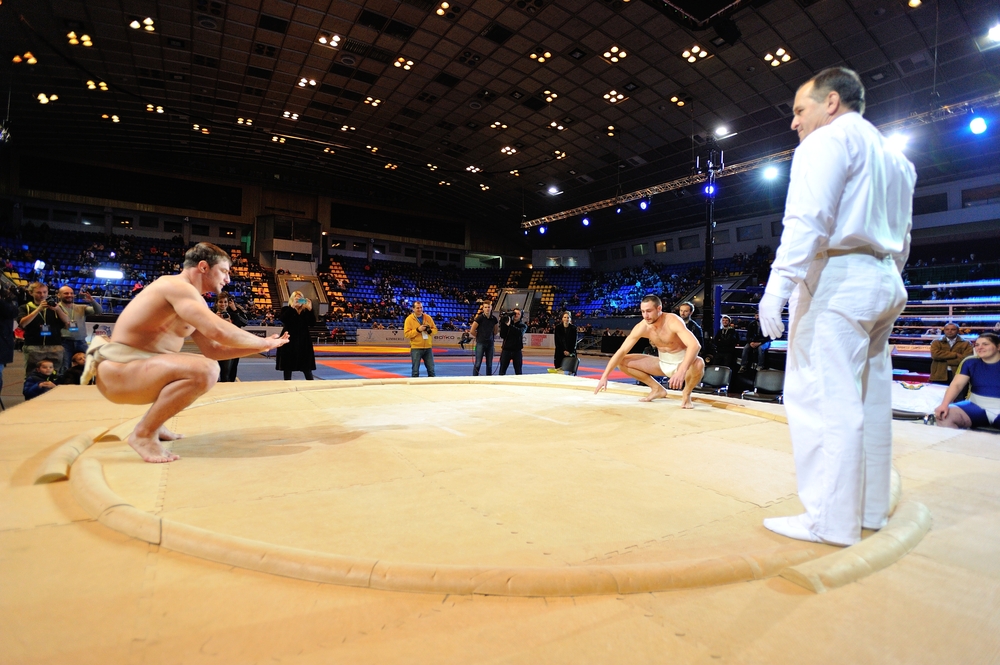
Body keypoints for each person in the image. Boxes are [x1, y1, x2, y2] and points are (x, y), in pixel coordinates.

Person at [758, 67, 915, 546]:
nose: (794, 123)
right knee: (869, 400)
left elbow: (808, 217)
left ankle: (830, 519)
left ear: (831, 102)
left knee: (824, 400)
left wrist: (779, 284)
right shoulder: (896, 159)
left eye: (799, 110)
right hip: (885, 276)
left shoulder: (825, 143)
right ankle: (867, 511)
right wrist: (887, 276)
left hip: (839, 279)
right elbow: (905, 236)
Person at [81, 242, 288, 462]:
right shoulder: (176, 286)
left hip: (138, 370)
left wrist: (262, 346)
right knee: (206, 370)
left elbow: (213, 349)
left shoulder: (191, 298)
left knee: (203, 362)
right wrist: (261, 342)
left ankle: (155, 424)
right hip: (120, 371)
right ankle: (143, 434)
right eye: (224, 271)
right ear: (203, 267)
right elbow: (217, 330)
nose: (228, 279)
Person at [594, 294, 705, 407]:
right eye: (642, 311)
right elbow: (622, 351)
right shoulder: (642, 326)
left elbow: (695, 345)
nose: (645, 316)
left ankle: (686, 393)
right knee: (622, 361)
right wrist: (605, 375)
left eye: (649, 311)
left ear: (659, 309)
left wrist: (681, 370)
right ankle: (657, 388)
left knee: (699, 362)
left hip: (683, 363)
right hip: (663, 363)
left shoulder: (672, 321)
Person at [934, 333, 1000, 430]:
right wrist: (944, 404)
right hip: (976, 406)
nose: (980, 348)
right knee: (944, 416)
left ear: (998, 347)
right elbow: (956, 385)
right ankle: (957, 445)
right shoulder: (970, 362)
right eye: (977, 345)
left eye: (985, 344)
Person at [18, 282, 70, 372]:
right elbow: (23, 323)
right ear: (31, 293)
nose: (42, 295)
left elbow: (67, 321)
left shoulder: (55, 307)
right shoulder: (25, 307)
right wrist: (38, 309)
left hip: (55, 346)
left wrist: (58, 309)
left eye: (44, 292)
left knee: (55, 374)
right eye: (38, 292)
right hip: (34, 346)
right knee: (33, 374)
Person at [56, 285, 103, 372]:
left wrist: (92, 301)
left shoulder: (81, 307)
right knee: (64, 368)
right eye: (66, 293)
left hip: (81, 341)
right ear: (58, 295)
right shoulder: (55, 308)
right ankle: (64, 385)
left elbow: (99, 311)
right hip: (64, 342)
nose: (69, 295)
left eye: (71, 293)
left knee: (89, 366)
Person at [276, 291, 317, 380]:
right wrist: (292, 307)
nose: (299, 301)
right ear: (292, 299)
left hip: (304, 340)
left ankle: (311, 385)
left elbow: (312, 323)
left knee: (307, 368)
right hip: (289, 339)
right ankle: (287, 385)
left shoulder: (305, 311)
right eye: (296, 299)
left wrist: (310, 310)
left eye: (300, 299)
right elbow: (283, 319)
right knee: (287, 367)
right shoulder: (286, 309)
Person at [215, 292, 248, 382]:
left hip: (231, 346)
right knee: (215, 373)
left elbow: (244, 322)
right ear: (216, 303)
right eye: (220, 302)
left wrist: (235, 310)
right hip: (215, 346)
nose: (223, 304)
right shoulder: (212, 314)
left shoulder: (233, 314)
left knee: (228, 374)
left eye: (225, 302)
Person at [404, 301, 437, 377]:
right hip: (416, 348)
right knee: (415, 371)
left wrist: (429, 331)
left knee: (431, 370)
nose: (420, 309)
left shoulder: (428, 317)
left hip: (428, 347)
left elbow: (435, 330)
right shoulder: (409, 319)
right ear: (413, 309)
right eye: (417, 308)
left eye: (421, 307)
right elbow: (407, 334)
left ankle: (433, 387)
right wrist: (418, 330)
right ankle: (414, 388)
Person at [470, 301, 499, 376]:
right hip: (480, 343)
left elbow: (496, 331)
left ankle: (489, 378)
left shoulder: (494, 319)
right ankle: (474, 379)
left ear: (491, 307)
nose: (487, 309)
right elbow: (472, 331)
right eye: (485, 307)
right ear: (483, 308)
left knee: (489, 364)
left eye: (489, 307)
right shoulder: (479, 318)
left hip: (490, 344)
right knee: (478, 363)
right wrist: (479, 336)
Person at [498, 308, 527, 375]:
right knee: (502, 371)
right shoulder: (507, 324)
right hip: (506, 350)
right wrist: (503, 324)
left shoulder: (523, 325)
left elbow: (519, 333)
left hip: (517, 351)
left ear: (521, 316)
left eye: (518, 314)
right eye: (515, 313)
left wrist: (509, 325)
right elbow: (502, 335)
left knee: (518, 372)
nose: (516, 315)